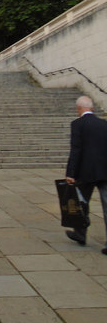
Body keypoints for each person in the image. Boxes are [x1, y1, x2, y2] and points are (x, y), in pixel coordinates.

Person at [64, 96, 107, 253]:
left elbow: (76, 149)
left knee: (81, 203)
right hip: (104, 170)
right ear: (92, 108)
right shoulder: (103, 124)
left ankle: (80, 233)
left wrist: (70, 173)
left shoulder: (77, 124)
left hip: (85, 171)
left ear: (79, 108)